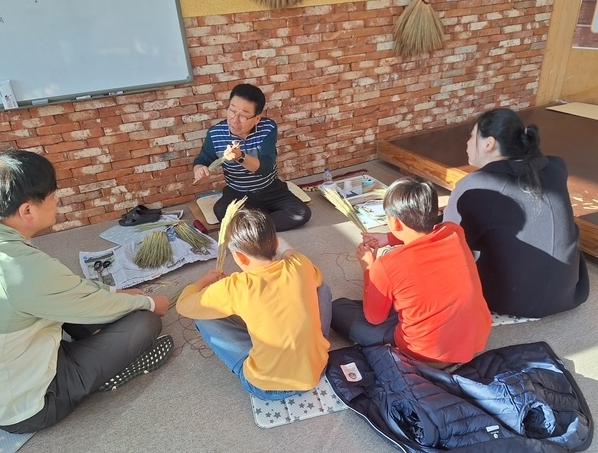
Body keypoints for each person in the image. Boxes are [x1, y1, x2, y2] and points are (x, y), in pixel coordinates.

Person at [0, 150, 173, 433]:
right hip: (32, 404)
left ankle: (95, 346)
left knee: (96, 300)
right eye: (52, 195)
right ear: (27, 210)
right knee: (146, 322)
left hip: (20, 364)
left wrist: (118, 293)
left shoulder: (17, 258)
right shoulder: (21, 269)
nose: (57, 200)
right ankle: (105, 376)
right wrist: (150, 302)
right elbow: (83, 297)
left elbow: (67, 289)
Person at [443, 108, 589, 318]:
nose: (467, 143)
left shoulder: (476, 183)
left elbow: (449, 242)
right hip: (570, 293)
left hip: (508, 300)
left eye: (472, 136)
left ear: (489, 144)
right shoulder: (556, 167)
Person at [331, 177, 491, 366]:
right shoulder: (454, 231)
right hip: (476, 340)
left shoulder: (386, 265)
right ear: (436, 212)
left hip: (425, 352)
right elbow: (430, 232)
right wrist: (388, 238)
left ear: (396, 223)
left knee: (338, 308)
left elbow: (374, 318)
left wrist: (368, 268)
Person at [177, 209, 331, 400]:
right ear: (275, 243)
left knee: (203, 319)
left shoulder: (233, 287)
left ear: (240, 257)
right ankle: (314, 343)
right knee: (321, 286)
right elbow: (291, 252)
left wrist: (203, 281)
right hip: (317, 368)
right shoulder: (300, 264)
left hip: (268, 388)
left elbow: (183, 306)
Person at [192, 83, 311, 232]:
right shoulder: (215, 134)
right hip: (238, 192)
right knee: (222, 211)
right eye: (232, 110)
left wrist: (240, 156)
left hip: (270, 189)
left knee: (301, 213)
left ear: (256, 119)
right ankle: (261, 223)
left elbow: (265, 168)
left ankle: (251, 226)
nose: (234, 119)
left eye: (243, 115)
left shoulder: (267, 128)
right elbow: (203, 159)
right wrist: (199, 169)